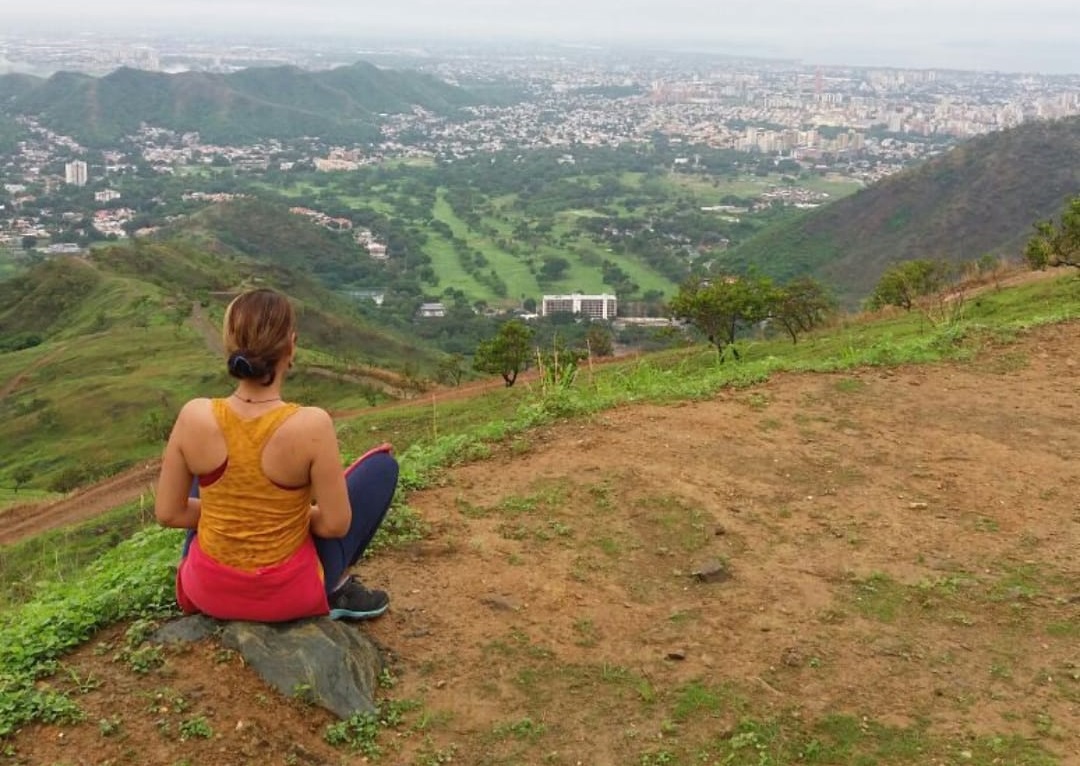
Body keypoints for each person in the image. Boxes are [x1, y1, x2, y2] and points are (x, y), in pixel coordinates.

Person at [154, 288, 398, 622]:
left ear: (230, 347)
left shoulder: (194, 416)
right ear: (291, 346)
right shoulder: (312, 424)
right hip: (286, 597)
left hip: (208, 591)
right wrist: (279, 515)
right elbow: (336, 524)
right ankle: (335, 587)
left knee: (206, 474)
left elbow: (168, 512)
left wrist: (239, 513)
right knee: (381, 466)